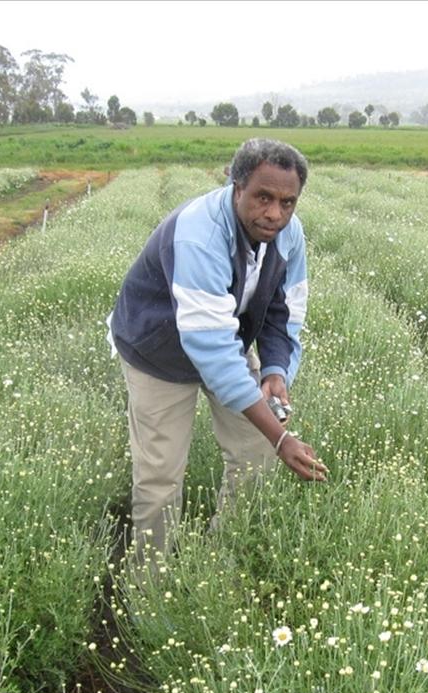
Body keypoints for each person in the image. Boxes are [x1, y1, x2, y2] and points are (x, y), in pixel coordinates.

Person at [108, 138, 327, 580]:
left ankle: (221, 562)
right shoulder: (200, 234)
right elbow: (211, 352)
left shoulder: (289, 234)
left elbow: (284, 311)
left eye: (287, 202)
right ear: (236, 186)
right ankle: (149, 587)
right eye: (263, 197)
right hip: (157, 352)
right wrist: (282, 439)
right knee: (160, 475)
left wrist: (275, 371)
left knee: (255, 453)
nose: (275, 213)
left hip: (224, 340)